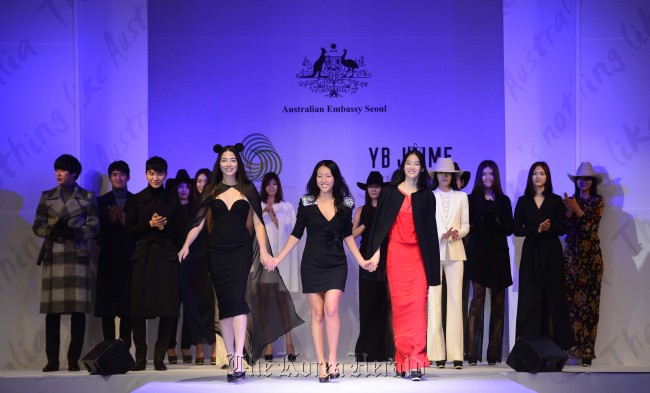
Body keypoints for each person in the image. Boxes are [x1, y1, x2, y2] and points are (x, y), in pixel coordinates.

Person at [179, 144, 303, 383]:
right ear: (219, 163)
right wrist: (185, 245)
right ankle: (230, 353)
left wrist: (265, 252)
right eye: (224, 160)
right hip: (216, 251)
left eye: (232, 160)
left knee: (237, 299)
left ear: (238, 163)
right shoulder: (212, 189)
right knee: (225, 303)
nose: (228, 164)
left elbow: (258, 224)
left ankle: (238, 356)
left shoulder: (248, 188)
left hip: (241, 251)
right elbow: (198, 223)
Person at [271, 160, 375, 383]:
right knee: (317, 315)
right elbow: (297, 234)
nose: (324, 180)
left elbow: (348, 236)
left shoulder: (346, 202)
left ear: (335, 178)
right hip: (311, 265)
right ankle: (321, 364)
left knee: (331, 309)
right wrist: (279, 257)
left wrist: (362, 261)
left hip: (336, 264)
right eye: (320, 176)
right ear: (315, 178)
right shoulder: (306, 202)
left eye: (328, 176)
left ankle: (333, 360)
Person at [366, 149, 440, 381]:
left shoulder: (427, 196)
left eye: (416, 163)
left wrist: (432, 266)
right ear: (403, 166)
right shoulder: (389, 193)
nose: (412, 167)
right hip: (397, 256)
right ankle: (402, 359)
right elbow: (380, 227)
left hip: (418, 258)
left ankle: (416, 361)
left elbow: (430, 232)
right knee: (400, 310)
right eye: (408, 163)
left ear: (421, 168)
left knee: (418, 308)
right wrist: (375, 253)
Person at [33, 154, 99, 372]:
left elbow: (94, 227)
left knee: (78, 312)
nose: (58, 174)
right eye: (57, 170)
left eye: (63, 170)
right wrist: (51, 231)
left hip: (76, 256)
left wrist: (74, 232)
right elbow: (37, 226)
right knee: (52, 313)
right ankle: (52, 360)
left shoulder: (88, 197)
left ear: (74, 173)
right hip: (54, 256)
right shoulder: (47, 196)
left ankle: (73, 360)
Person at [124, 156, 181, 371]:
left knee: (168, 308)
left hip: (166, 257)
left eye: (159, 173)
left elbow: (181, 233)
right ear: (146, 174)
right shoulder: (136, 200)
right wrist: (149, 224)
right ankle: (140, 357)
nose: (155, 177)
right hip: (143, 257)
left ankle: (159, 357)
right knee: (138, 309)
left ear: (165, 175)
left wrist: (163, 227)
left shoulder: (172, 200)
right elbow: (128, 232)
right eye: (151, 173)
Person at [513, 161, 573, 350]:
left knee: (554, 298)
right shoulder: (523, 201)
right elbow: (516, 229)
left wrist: (549, 228)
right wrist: (536, 229)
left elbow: (563, 228)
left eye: (542, 173)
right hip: (531, 253)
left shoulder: (555, 200)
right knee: (530, 299)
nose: (538, 177)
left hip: (551, 252)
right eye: (535, 174)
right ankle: (527, 348)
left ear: (547, 177)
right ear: (530, 177)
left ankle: (558, 347)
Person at [465, 160, 513, 365]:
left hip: (499, 256)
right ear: (479, 176)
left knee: (498, 306)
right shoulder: (471, 199)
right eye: (484, 174)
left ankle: (493, 355)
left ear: (496, 177)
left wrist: (496, 219)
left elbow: (509, 228)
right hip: (478, 255)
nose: (487, 177)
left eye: (491, 174)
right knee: (476, 304)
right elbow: (469, 226)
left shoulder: (504, 200)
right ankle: (472, 354)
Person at [427, 157, 469, 370]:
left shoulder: (462, 197)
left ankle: (456, 354)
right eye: (441, 173)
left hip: (455, 252)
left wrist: (456, 234)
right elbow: (425, 227)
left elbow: (466, 225)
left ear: (453, 176)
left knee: (455, 301)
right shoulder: (429, 197)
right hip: (435, 252)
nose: (444, 176)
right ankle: (437, 354)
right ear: (436, 176)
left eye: (448, 173)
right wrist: (440, 235)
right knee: (434, 302)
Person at [563, 162, 605, 366]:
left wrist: (576, 208)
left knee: (590, 306)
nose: (584, 182)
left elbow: (590, 226)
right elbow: (567, 229)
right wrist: (569, 211)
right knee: (571, 304)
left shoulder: (598, 201)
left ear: (593, 182)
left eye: (587, 179)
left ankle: (588, 351)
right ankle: (572, 349)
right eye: (580, 179)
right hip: (573, 257)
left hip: (591, 258)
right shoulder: (572, 201)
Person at [352, 171, 393, 362]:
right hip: (366, 258)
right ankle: (365, 352)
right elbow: (351, 236)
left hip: (386, 258)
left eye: (377, 186)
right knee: (367, 304)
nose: (374, 189)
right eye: (371, 187)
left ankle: (383, 351)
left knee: (383, 305)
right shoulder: (361, 210)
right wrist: (366, 225)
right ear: (367, 189)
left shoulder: (387, 210)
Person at [259, 172, 300, 362]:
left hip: (282, 262)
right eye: (268, 184)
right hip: (265, 263)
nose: (271, 187)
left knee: (285, 304)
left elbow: (292, 234)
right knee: (266, 304)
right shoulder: (257, 207)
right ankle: (268, 345)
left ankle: (289, 343)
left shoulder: (287, 207)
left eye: (274, 184)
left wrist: (274, 216)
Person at [95, 160, 135, 351]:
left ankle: (125, 351)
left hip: (130, 259)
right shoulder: (101, 201)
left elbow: (138, 232)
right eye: (114, 175)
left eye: (122, 174)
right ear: (110, 178)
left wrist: (124, 221)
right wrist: (111, 222)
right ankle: (108, 350)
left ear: (128, 177)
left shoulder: (135, 201)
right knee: (108, 309)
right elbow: (96, 233)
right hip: (108, 260)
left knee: (128, 309)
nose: (118, 178)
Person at [165, 169, 196, 365]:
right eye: (180, 186)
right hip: (172, 261)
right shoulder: (170, 208)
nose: (183, 190)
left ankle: (186, 346)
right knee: (172, 307)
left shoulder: (195, 208)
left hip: (193, 262)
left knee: (190, 307)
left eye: (187, 186)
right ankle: (169, 345)